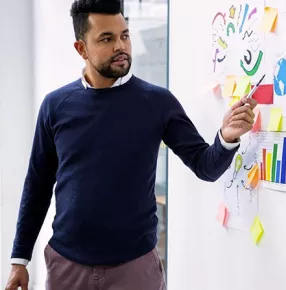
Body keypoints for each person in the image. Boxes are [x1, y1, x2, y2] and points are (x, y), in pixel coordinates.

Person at [5, 0, 257, 289]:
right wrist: (19, 260)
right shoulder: (55, 106)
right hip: (67, 269)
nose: (121, 46)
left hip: (135, 269)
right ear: (81, 49)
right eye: (107, 39)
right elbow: (37, 186)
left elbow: (204, 165)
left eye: (124, 35)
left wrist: (226, 137)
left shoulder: (157, 103)